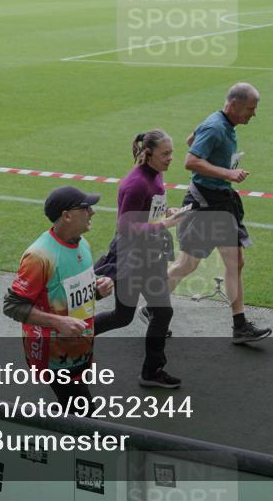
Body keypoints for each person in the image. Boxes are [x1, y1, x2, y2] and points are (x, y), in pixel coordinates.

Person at [156, 83, 272, 344]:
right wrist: (228, 173)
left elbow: (192, 140)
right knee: (188, 264)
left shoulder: (222, 123)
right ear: (233, 105)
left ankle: (239, 325)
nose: (252, 115)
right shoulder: (216, 126)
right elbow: (190, 160)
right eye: (250, 109)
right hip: (206, 204)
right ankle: (155, 308)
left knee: (235, 262)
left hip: (221, 201)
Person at [3, 186, 114, 406]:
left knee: (71, 406)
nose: (92, 212)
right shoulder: (39, 256)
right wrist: (58, 322)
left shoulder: (82, 243)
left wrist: (97, 291)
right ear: (67, 215)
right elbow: (12, 306)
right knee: (83, 411)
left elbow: (68, 295)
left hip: (78, 347)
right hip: (53, 353)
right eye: (85, 208)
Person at [93, 130, 186, 389]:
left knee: (163, 311)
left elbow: (151, 208)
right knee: (122, 317)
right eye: (165, 153)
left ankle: (152, 371)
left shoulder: (155, 174)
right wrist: (166, 222)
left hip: (150, 255)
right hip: (131, 256)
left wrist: (168, 211)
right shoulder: (136, 184)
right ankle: (74, 336)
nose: (170, 158)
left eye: (171, 152)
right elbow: (126, 228)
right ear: (148, 154)